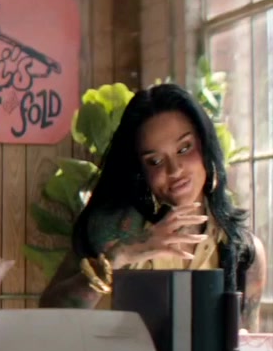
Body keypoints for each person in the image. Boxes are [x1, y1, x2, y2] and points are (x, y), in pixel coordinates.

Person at [38, 83, 266, 331]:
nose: (175, 170)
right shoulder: (110, 230)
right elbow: (50, 317)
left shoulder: (243, 250)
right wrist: (119, 258)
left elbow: (247, 349)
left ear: (206, 145)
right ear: (141, 170)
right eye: (155, 161)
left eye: (184, 148)